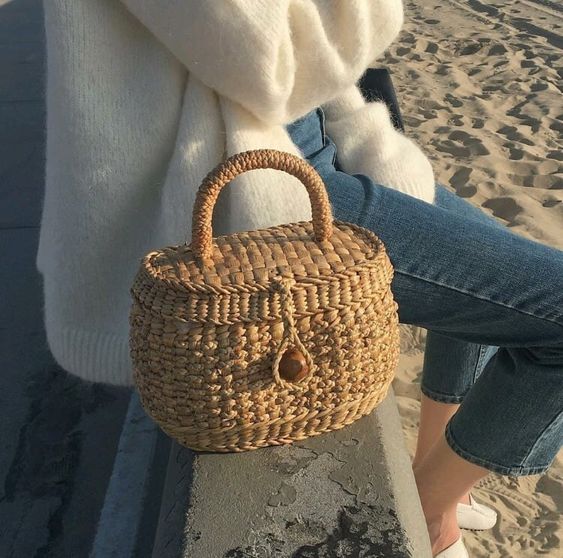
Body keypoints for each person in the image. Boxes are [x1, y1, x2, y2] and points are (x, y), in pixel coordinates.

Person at [39, 1, 562, 556]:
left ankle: (435, 471)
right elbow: (269, 69)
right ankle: (429, 514)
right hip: (260, 187)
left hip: (319, 152)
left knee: (486, 272)